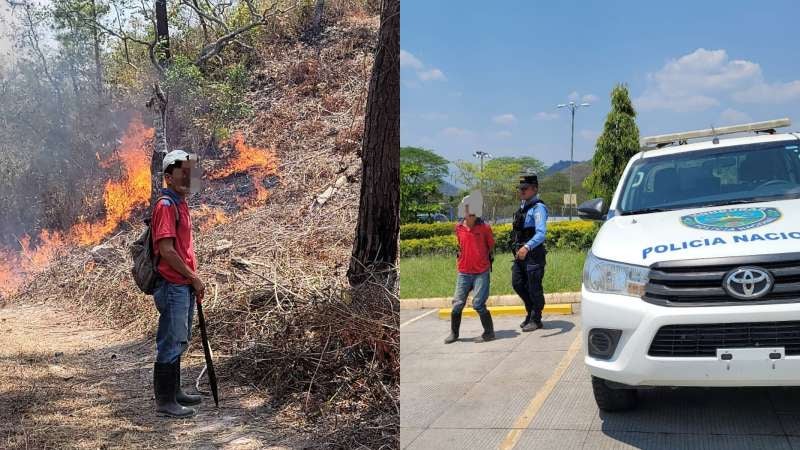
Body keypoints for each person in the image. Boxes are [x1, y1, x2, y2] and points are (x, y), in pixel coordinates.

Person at [151, 149, 206, 417]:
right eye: (182, 171)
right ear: (169, 177)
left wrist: (191, 278)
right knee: (171, 341)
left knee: (180, 338)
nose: (188, 176)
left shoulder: (180, 203)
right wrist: (193, 277)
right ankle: (165, 402)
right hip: (173, 284)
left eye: (190, 171)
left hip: (182, 284)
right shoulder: (166, 205)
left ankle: (175, 392)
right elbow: (167, 250)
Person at [444, 207, 495, 344]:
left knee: (478, 304)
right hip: (464, 273)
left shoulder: (485, 227)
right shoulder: (459, 227)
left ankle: (489, 333)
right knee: (457, 305)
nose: (471, 212)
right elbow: (460, 246)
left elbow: (490, 245)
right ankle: (454, 334)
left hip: (481, 272)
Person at [511, 174, 548, 332]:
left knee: (534, 287)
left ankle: (536, 318)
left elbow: (541, 233)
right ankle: (530, 312)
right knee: (518, 283)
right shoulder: (523, 207)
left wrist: (526, 247)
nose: (522, 191)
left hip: (533, 254)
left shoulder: (538, 208)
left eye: (525, 189)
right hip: (520, 254)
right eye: (520, 189)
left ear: (535, 189)